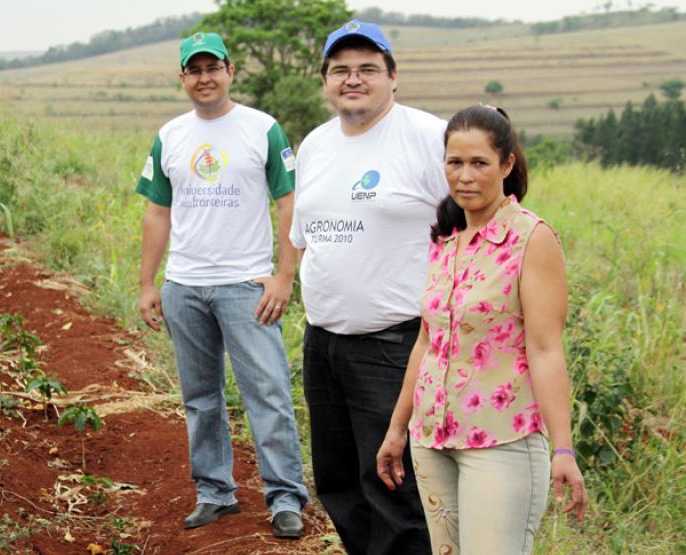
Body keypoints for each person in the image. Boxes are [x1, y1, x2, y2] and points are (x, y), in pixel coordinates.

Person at [375, 105, 588, 554]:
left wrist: (563, 449)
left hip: (500, 440)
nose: (465, 176)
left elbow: (547, 350)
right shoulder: (445, 240)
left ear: (506, 165)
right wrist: (398, 428)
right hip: (430, 438)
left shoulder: (531, 238)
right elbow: (426, 343)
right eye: (455, 162)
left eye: (479, 163)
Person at [135, 31, 308, 539]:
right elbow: (156, 211)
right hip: (185, 287)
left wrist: (283, 275)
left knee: (268, 392)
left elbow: (289, 203)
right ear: (182, 78)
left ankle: (284, 498)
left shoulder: (263, 129)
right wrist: (149, 282)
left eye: (213, 68)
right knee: (199, 397)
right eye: (195, 70)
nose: (204, 77)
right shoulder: (170, 135)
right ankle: (215, 493)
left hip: (244, 285)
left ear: (231, 71)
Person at [290, 19, 446, 555]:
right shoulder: (314, 144)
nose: (352, 79)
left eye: (367, 69)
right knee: (338, 481)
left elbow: (485, 211)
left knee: (394, 482)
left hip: (394, 344)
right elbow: (303, 237)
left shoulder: (429, 137)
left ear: (393, 77)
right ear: (326, 81)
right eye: (340, 70)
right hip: (324, 341)